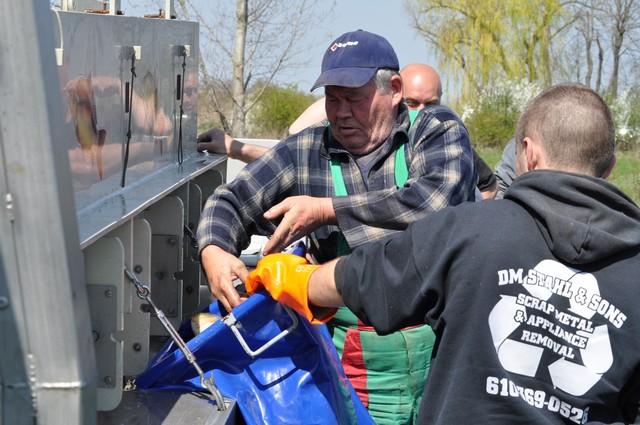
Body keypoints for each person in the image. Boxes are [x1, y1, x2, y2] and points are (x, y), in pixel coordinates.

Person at [246, 83, 640, 424]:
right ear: (609, 167)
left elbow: (369, 277)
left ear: (529, 153)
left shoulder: (470, 230)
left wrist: (296, 278)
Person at [196, 30, 477, 424]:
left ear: (394, 90)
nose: (341, 112)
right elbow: (230, 201)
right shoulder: (305, 151)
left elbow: (434, 204)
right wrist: (214, 250)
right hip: (354, 371)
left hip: (445, 356)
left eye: (354, 99)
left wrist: (327, 210)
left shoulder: (434, 130)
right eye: (332, 98)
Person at [197, 63, 498, 199]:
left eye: (430, 104)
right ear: (394, 95)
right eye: (411, 103)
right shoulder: (350, 138)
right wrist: (347, 99)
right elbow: (297, 144)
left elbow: (485, 187)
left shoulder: (444, 141)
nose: (420, 112)